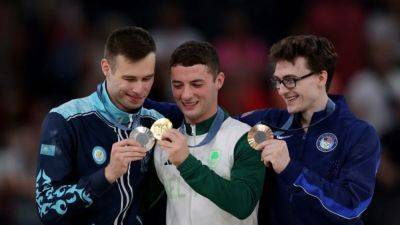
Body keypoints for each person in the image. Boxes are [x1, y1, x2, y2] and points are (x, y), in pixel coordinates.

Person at [145, 35, 381, 225]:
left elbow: (351, 206)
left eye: (290, 80)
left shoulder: (359, 135)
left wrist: (291, 169)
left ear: (321, 77)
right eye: (277, 81)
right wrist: (143, 111)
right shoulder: (268, 122)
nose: (282, 90)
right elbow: (205, 115)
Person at [35, 26, 165, 225]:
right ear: (106, 68)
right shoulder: (64, 120)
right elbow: (46, 207)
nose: (140, 89)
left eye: (147, 78)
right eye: (129, 79)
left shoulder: (156, 122)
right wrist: (107, 174)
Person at [152, 41, 265, 225]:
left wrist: (186, 162)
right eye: (178, 85)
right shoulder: (164, 143)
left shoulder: (243, 138)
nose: (186, 95)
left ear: (218, 81)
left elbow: (243, 204)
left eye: (196, 84)